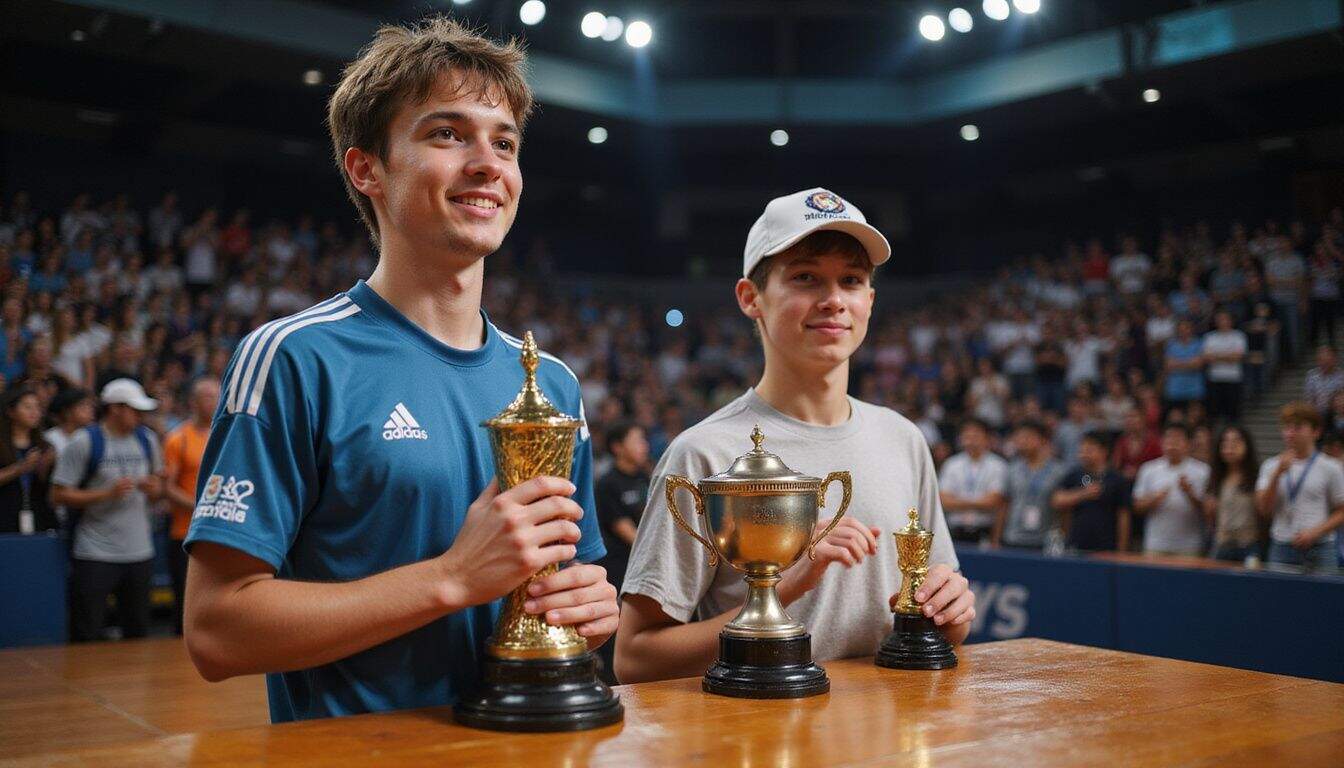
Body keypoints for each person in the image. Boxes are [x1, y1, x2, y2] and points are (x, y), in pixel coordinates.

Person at [182, 18, 617, 722]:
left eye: (503, 143)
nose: (488, 164)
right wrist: (450, 579)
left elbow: (564, 581)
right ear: (366, 169)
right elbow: (214, 631)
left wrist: (591, 607)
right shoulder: (295, 357)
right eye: (447, 134)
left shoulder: (554, 384)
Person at [615, 188, 974, 685]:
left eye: (851, 281)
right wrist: (781, 589)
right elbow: (634, 659)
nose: (833, 300)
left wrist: (950, 613)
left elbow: (937, 620)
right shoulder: (703, 453)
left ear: (869, 301)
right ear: (751, 298)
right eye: (805, 277)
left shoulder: (903, 439)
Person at [50, 379, 165, 641]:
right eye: (134, 410)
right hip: (95, 552)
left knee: (137, 632)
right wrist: (107, 494)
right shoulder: (85, 441)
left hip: (139, 551)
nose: (140, 416)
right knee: (87, 632)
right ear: (115, 409)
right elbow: (57, 494)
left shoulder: (147, 439)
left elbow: (159, 488)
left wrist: (153, 488)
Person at [592, 420, 650, 683]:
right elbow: (629, 533)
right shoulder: (607, 483)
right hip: (619, 567)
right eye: (636, 440)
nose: (644, 446)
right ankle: (614, 679)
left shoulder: (644, 478)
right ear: (617, 447)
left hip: (644, 563)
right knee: (617, 627)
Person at [1255, 402, 1344, 570]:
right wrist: (1277, 475)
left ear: (1315, 432)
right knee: (1279, 595)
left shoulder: (1330, 467)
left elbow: (1342, 510)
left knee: (1324, 596)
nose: (1290, 433)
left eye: (1297, 427)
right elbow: (1263, 509)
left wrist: (1316, 532)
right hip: (1282, 544)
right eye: (1286, 427)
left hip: (1321, 545)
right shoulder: (1270, 465)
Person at [162, 377, 220, 635]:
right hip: (185, 532)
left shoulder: (226, 434)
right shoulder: (178, 439)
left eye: (217, 395)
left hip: (220, 533)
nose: (214, 401)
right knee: (186, 602)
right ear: (193, 401)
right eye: (207, 396)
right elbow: (168, 487)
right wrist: (201, 507)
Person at [1131, 423, 1210, 556]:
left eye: (1178, 439)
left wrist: (1190, 494)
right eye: (1168, 439)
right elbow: (1136, 506)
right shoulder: (1148, 469)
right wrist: (1153, 500)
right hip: (1155, 544)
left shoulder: (1203, 471)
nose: (1172, 444)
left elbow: (1208, 512)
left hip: (1189, 546)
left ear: (1189, 444)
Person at [1051, 431, 1128, 552]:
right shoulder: (1074, 475)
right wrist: (1083, 494)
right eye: (1082, 449)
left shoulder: (1116, 479)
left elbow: (1123, 516)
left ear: (1104, 451)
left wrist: (1122, 549)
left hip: (1106, 547)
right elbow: (1057, 500)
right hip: (1075, 544)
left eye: (1089, 449)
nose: (1083, 453)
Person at [998, 420, 1067, 550]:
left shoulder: (1059, 471)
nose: (1022, 441)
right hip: (1013, 536)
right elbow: (1004, 504)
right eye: (1019, 437)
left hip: (1045, 539)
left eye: (1028, 436)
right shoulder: (1012, 468)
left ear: (1043, 440)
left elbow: (1064, 511)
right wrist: (996, 538)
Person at [939, 417, 1008, 544]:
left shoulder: (998, 465)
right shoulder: (952, 464)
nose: (970, 441)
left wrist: (959, 501)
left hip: (984, 531)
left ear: (987, 438)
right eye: (966, 436)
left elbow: (994, 501)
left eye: (976, 436)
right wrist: (979, 502)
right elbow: (944, 501)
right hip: (955, 530)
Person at [0, 387, 57, 534]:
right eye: (27, 407)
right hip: (5, 514)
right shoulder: (2, 444)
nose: (34, 412)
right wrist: (21, 468)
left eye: (37, 407)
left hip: (38, 515)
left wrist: (44, 469)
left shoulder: (45, 446)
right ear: (10, 411)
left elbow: (51, 491)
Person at [1203, 426, 1260, 562]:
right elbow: (1210, 519)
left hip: (1248, 544)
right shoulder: (1215, 477)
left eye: (1236, 442)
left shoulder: (1256, 477)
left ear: (1247, 445)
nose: (1230, 447)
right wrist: (1209, 509)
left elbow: (1264, 513)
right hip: (1222, 543)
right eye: (1225, 442)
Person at [1201, 310, 1247, 422]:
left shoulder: (1238, 336)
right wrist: (1228, 355)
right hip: (1215, 378)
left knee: (1233, 412)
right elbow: (1206, 357)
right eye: (1220, 319)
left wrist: (1216, 356)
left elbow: (1238, 357)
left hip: (1233, 378)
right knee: (1214, 412)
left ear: (1231, 320)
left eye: (1225, 319)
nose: (1223, 322)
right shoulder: (1209, 337)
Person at [1303, 345, 1344, 415]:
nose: (1325, 364)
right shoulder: (1312, 376)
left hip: (1336, 414)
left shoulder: (1341, 376)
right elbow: (1309, 397)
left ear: (1335, 360)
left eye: (1328, 361)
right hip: (1317, 412)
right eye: (1322, 360)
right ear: (1318, 361)